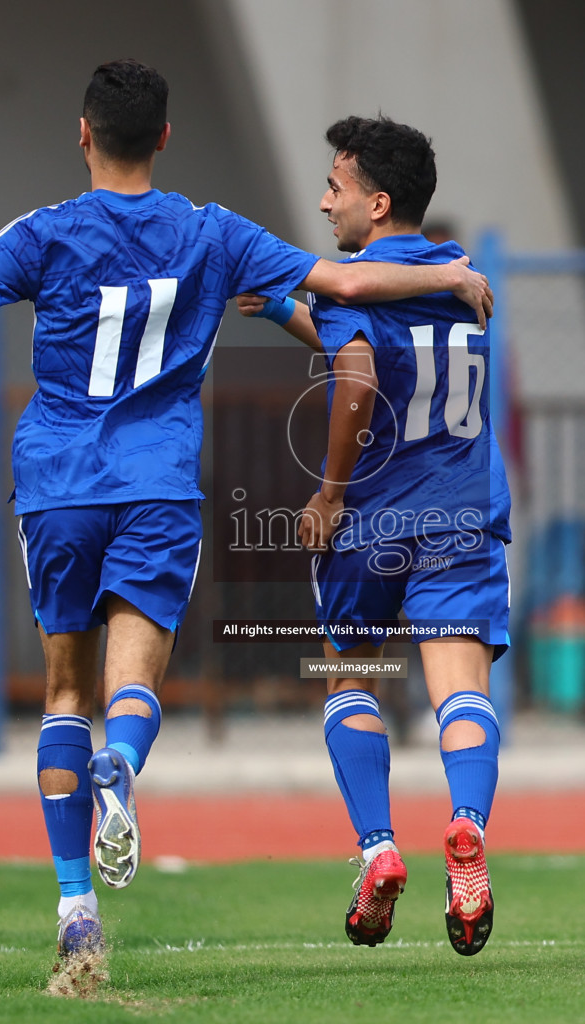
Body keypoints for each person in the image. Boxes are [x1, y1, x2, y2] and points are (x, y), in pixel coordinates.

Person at [0, 59, 494, 960]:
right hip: (157, 485)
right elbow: (345, 287)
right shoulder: (213, 232)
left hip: (56, 488)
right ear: (163, 138)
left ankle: (76, 909)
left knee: (63, 695)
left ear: (83, 135)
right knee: (132, 686)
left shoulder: (44, 233)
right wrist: (446, 279)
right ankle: (124, 766)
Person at [238, 115, 511, 956]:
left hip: (372, 517)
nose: (325, 203)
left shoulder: (353, 276)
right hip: (462, 512)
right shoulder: (461, 272)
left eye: (336, 186)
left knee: (349, 678)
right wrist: (291, 311)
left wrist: (328, 493)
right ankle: (465, 826)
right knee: (459, 688)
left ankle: (378, 848)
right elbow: (373, 345)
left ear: (378, 201)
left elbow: (357, 370)